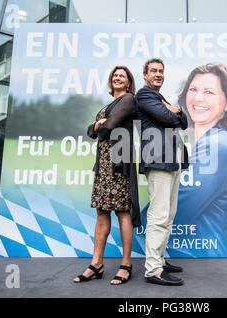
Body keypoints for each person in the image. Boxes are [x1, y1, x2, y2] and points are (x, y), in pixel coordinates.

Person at [143, 63, 227, 257]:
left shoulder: (216, 145)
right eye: (193, 89)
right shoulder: (197, 140)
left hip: (205, 261)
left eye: (209, 92)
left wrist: (133, 223)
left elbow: (173, 209)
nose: (198, 98)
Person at [73, 66, 140, 285]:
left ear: (128, 82)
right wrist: (96, 126)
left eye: (122, 75)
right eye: (115, 75)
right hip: (103, 167)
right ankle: (96, 263)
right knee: (102, 213)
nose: (118, 77)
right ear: (111, 81)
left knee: (122, 212)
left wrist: (99, 125)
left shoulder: (129, 99)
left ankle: (126, 264)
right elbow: (91, 132)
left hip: (118, 165)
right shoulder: (107, 105)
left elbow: (107, 128)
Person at [136, 58, 189, 286]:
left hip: (172, 161)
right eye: (153, 71)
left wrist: (176, 110)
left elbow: (183, 121)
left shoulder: (161, 98)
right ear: (145, 75)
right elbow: (168, 119)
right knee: (158, 216)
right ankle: (153, 270)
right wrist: (173, 113)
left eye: (161, 71)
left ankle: (159, 259)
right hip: (158, 161)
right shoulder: (145, 95)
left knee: (168, 215)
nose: (158, 74)